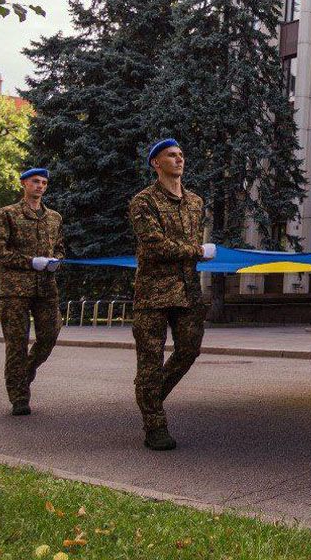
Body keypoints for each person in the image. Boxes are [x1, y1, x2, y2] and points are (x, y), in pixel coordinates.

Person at [128, 139, 215, 451]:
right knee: (150, 361)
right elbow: (154, 245)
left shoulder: (195, 202)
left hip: (187, 292)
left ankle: (149, 399)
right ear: (156, 163)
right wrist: (198, 251)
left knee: (189, 351)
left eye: (181, 154)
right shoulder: (143, 201)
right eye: (171, 155)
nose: (179, 159)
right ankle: (155, 425)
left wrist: (197, 253)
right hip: (153, 294)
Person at [0, 168, 64, 416]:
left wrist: (56, 261)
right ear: (24, 184)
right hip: (16, 290)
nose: (40, 186)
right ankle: (19, 397)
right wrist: (30, 262)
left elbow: (59, 247)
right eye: (35, 181)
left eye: (44, 183)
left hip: (46, 289)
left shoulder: (54, 217)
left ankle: (25, 373)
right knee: (17, 344)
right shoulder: (7, 214)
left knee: (50, 335)